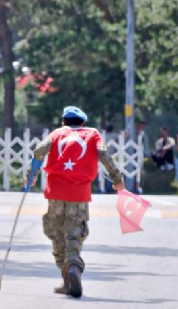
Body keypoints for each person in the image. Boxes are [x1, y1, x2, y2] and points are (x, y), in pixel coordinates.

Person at [27, 106, 124, 298]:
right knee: (74, 231)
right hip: (79, 192)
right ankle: (73, 266)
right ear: (83, 123)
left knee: (56, 232)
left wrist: (31, 175)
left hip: (55, 191)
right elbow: (104, 155)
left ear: (64, 122)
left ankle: (66, 279)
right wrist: (117, 179)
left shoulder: (57, 134)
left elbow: (39, 151)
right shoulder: (92, 134)